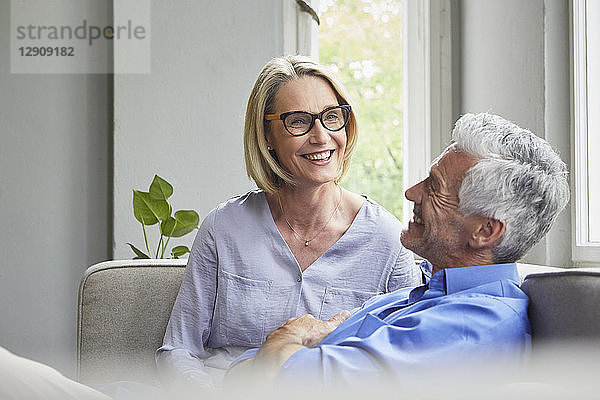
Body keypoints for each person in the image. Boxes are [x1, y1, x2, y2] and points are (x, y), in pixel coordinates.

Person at [227, 112, 570, 386]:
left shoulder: (467, 327)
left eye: (434, 186)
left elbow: (276, 380)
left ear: (484, 231)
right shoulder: (422, 294)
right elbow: (241, 372)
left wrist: (296, 332)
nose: (411, 192)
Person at [156, 55, 420, 388]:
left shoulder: (387, 240)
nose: (321, 136)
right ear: (267, 135)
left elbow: (408, 364)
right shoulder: (222, 229)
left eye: (331, 117)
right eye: (299, 121)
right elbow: (178, 350)